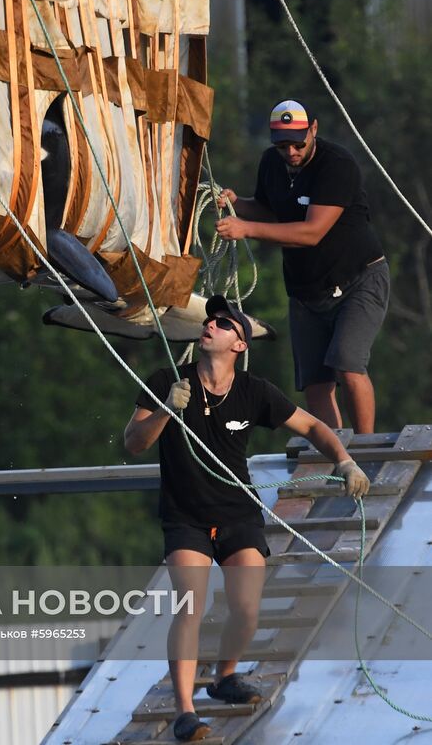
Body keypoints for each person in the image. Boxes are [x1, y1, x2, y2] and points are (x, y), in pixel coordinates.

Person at [124, 295, 369, 743]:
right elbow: (133, 442)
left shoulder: (255, 391)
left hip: (236, 511)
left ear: (239, 345)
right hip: (185, 517)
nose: (210, 325)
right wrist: (165, 409)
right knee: (190, 606)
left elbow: (313, 426)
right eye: (209, 319)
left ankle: (224, 677)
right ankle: (185, 711)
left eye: (222, 323)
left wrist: (345, 461)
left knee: (247, 608)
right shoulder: (167, 380)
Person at [215, 99, 389, 434]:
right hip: (307, 291)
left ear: (314, 129)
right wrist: (238, 205)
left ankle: (366, 449)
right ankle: (337, 452)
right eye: (282, 145)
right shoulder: (271, 163)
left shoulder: (337, 164)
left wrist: (246, 229)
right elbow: (271, 213)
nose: (291, 152)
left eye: (298, 143)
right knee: (314, 382)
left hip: (358, 279)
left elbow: (311, 232)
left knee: (348, 365)